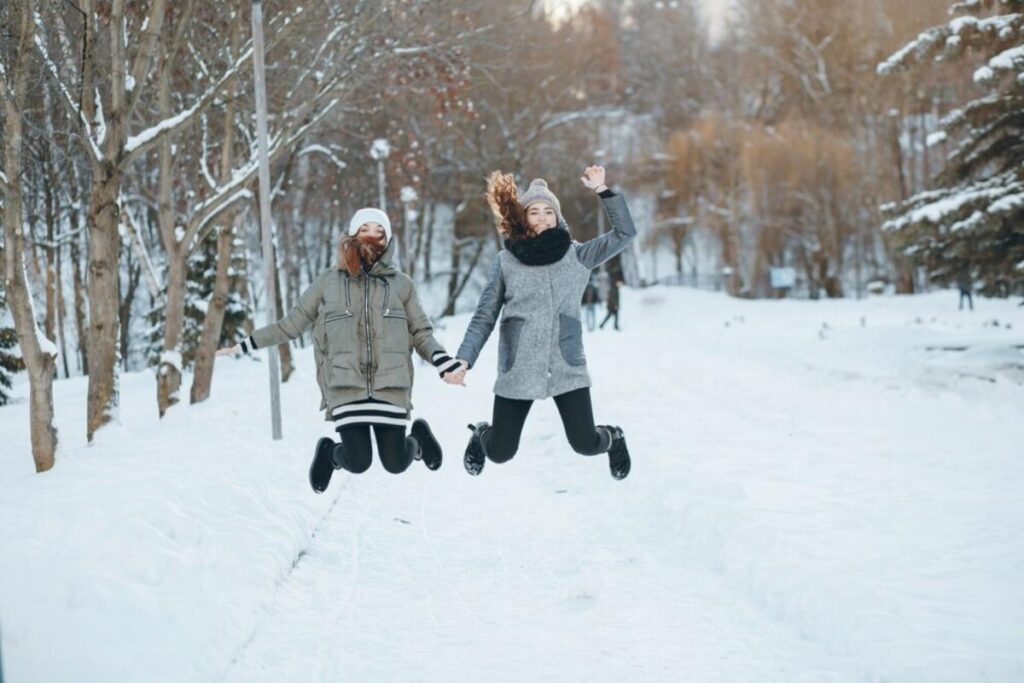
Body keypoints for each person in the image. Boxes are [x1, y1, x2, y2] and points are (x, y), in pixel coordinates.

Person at [217, 208, 462, 492]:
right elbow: (291, 325)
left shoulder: (401, 285)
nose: (371, 236)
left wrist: (443, 361)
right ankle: (329, 454)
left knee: (395, 463)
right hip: (346, 385)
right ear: (352, 234)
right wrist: (246, 344)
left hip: (391, 385)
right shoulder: (328, 282)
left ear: (387, 238)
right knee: (358, 462)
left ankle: (417, 441)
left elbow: (421, 333)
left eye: (378, 231)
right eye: (364, 229)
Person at [447, 166, 635, 480]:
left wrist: (602, 190)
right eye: (535, 211)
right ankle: (481, 434)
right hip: (518, 365)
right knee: (500, 452)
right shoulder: (506, 262)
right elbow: (484, 315)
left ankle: (613, 437)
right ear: (523, 218)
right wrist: (464, 359)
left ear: (558, 217)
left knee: (586, 444)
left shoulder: (577, 256)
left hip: (566, 363)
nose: (543, 217)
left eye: (549, 211)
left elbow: (625, 234)